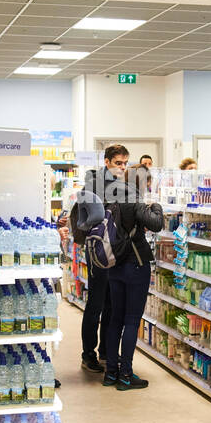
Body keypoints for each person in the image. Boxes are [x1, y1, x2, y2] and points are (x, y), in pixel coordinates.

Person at [101, 166, 165, 390]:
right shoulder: (134, 200)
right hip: (135, 266)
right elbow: (157, 223)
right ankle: (126, 375)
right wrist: (155, 205)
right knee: (131, 321)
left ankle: (111, 373)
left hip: (114, 265)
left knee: (115, 319)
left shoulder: (112, 198)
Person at [69, 145, 131, 374]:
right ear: (107, 162)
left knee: (111, 304)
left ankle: (106, 350)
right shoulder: (94, 184)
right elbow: (84, 220)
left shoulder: (123, 186)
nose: (122, 167)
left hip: (116, 252)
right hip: (97, 251)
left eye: (125, 163)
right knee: (95, 304)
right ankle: (88, 355)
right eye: (118, 163)